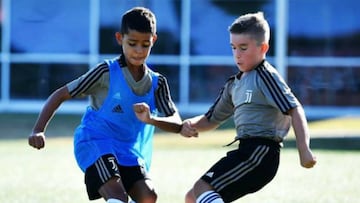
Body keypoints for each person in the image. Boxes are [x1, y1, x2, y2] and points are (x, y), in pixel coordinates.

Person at [28, 7, 183, 203]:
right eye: (132, 43)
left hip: (128, 150)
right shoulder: (105, 72)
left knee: (148, 197)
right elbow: (61, 94)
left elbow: (177, 123)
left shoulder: (157, 83)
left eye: (145, 44)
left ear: (153, 40)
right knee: (117, 196)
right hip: (96, 142)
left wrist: (152, 119)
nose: (138, 50)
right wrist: (38, 130)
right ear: (120, 38)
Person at [180, 12, 317, 203]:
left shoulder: (265, 76)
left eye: (243, 48)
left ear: (263, 48)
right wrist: (189, 124)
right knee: (192, 197)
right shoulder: (234, 84)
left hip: (260, 153)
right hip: (245, 151)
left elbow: (294, 108)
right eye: (233, 48)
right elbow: (211, 119)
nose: (237, 54)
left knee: (202, 188)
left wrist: (304, 149)